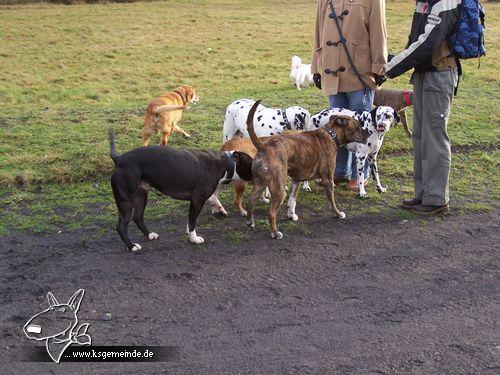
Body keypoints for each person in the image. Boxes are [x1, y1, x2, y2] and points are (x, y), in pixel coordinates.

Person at [384, 0, 460, 215]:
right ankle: (423, 193)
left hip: (439, 75)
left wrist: (390, 68)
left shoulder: (445, 3)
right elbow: (414, 41)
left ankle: (436, 199)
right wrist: (393, 61)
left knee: (434, 137)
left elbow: (428, 43)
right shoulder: (424, 2)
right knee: (419, 135)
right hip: (423, 75)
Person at [311, 0, 387, 190]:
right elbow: (318, 31)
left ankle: (360, 175)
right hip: (332, 72)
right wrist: (316, 67)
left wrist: (379, 66)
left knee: (361, 126)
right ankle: (338, 171)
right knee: (336, 125)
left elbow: (379, 31)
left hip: (359, 71)